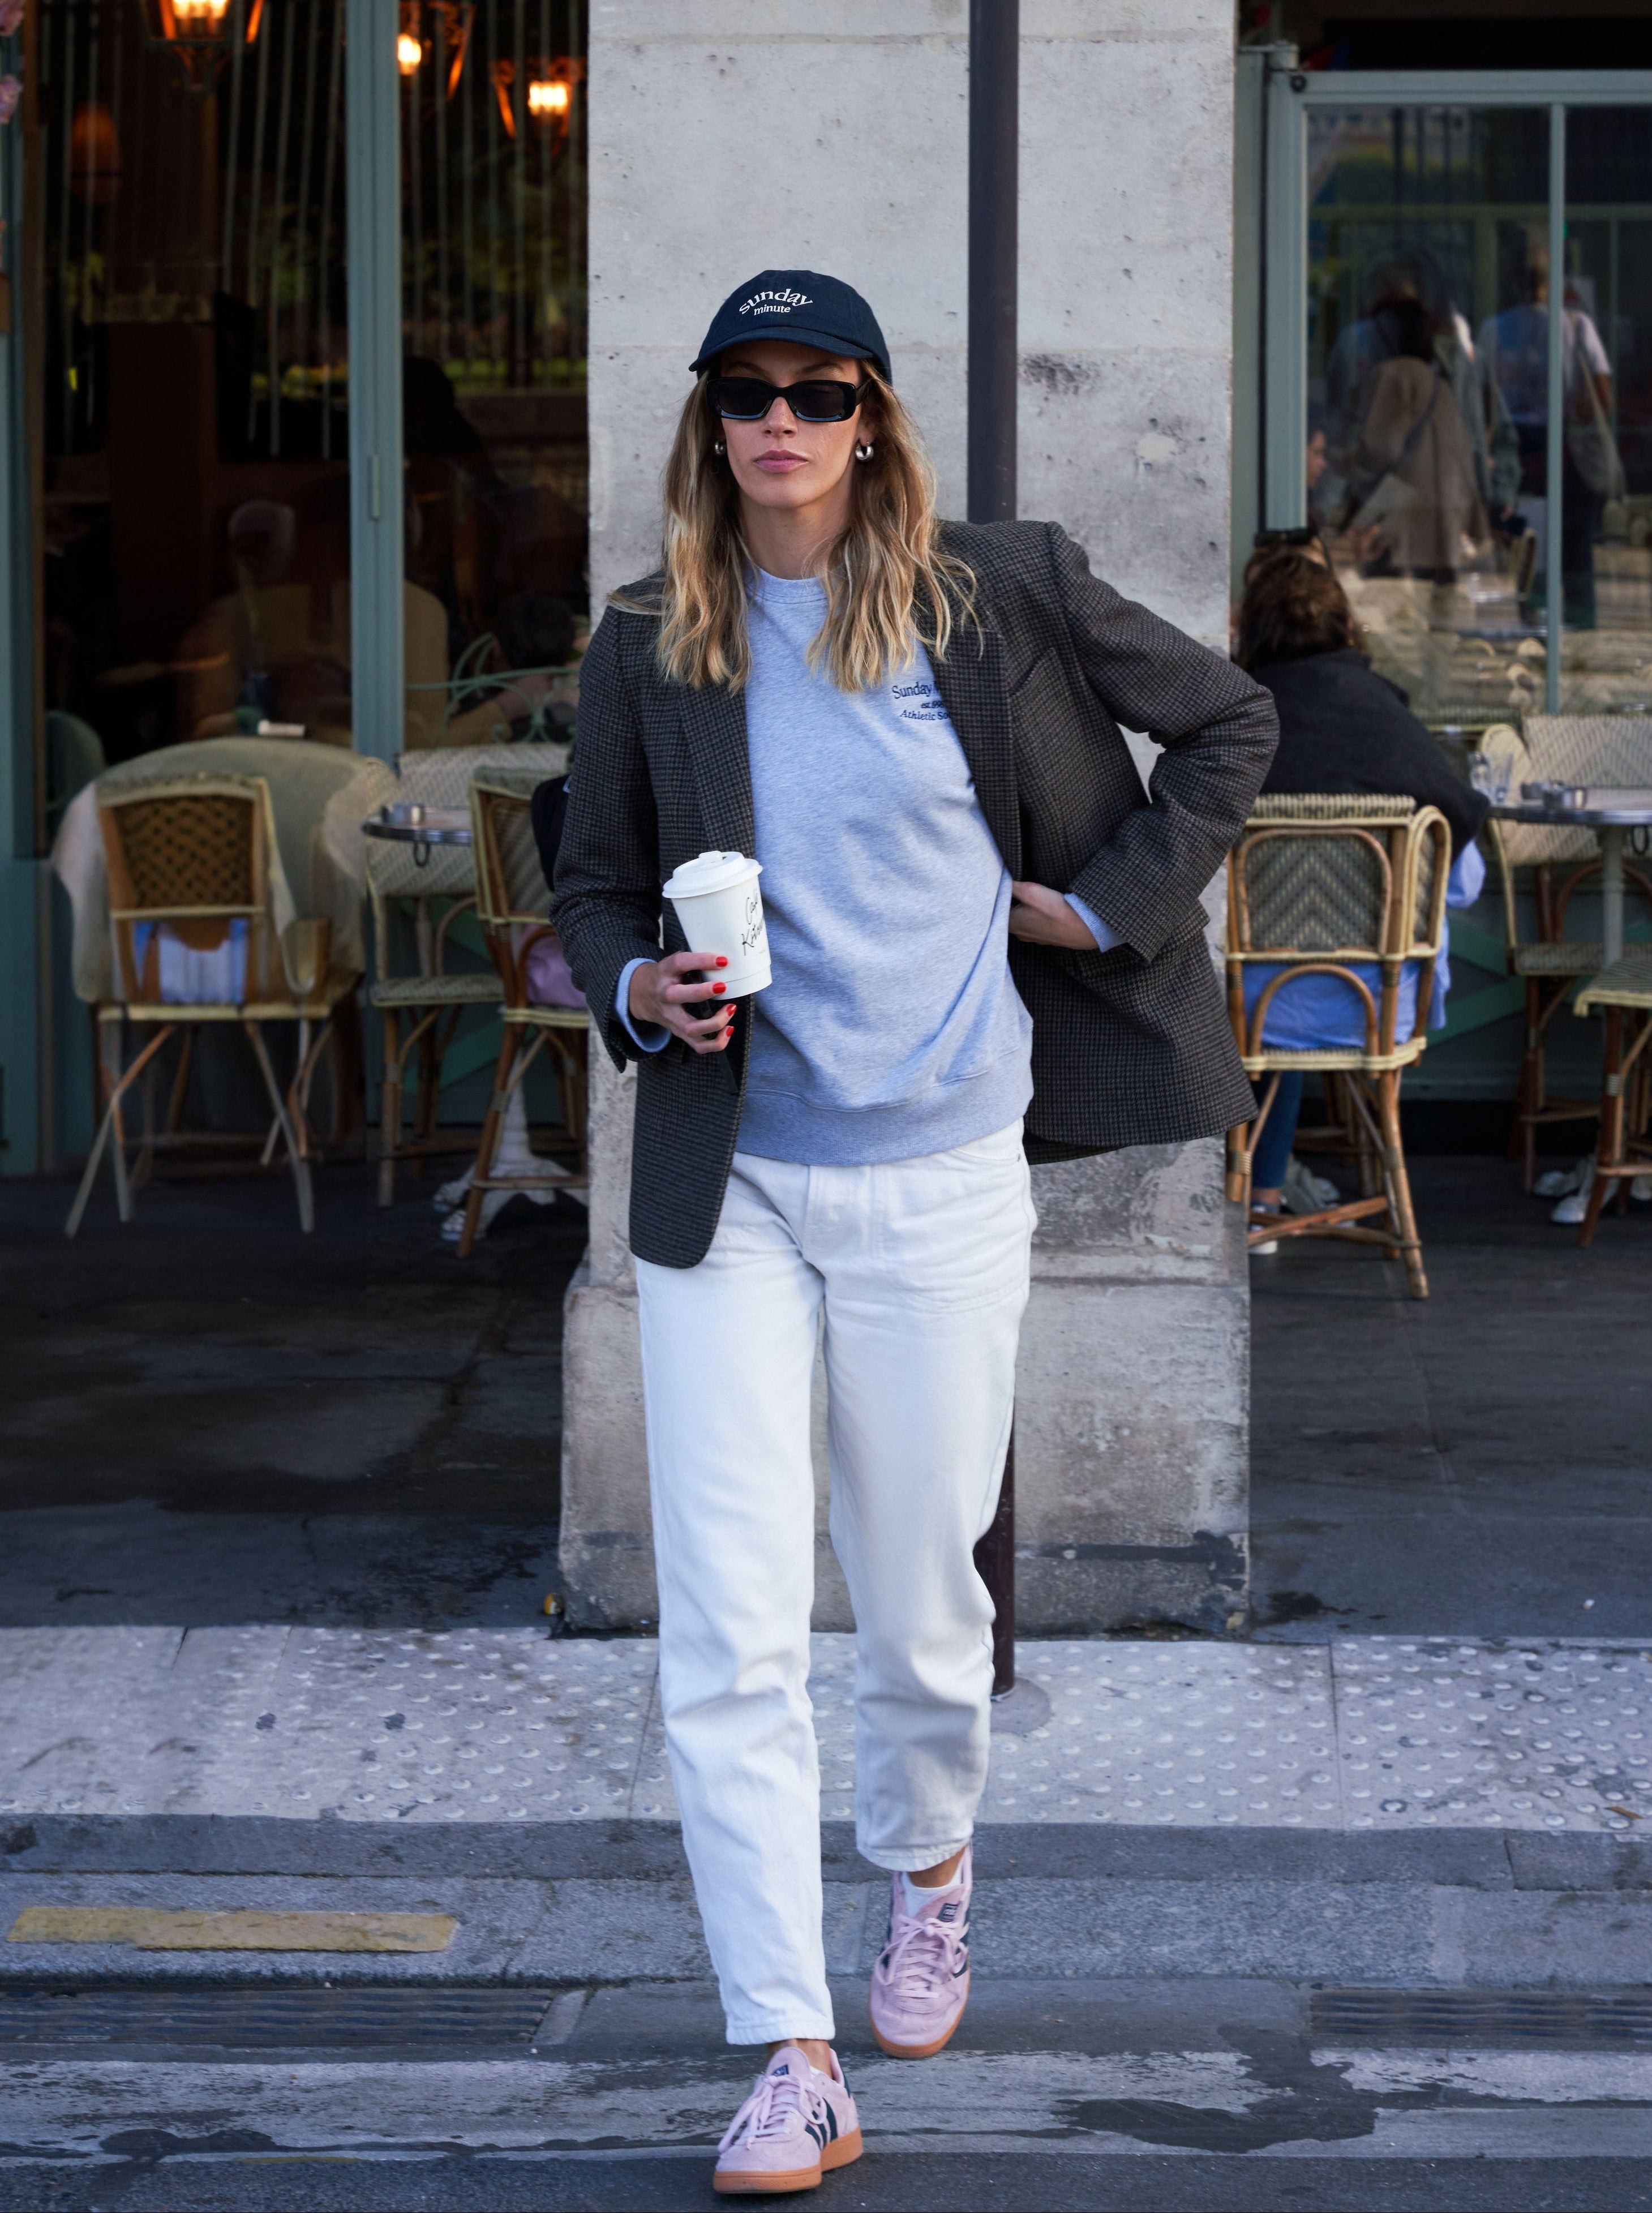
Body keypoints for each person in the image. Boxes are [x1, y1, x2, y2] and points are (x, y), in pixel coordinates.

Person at [550, 268, 1277, 2195]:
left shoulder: (993, 590)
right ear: (709, 422)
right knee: (725, 1625)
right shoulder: (647, 636)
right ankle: (786, 2051)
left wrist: (1104, 904)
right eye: (745, 391)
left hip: (941, 1172)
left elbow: (1226, 720)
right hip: (730, 1181)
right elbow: (592, 883)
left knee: (922, 1605)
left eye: (816, 390)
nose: (778, 422)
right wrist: (638, 992)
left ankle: (928, 1867)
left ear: (869, 417)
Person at [1233, 552, 1490, 1240]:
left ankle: (1253, 1200)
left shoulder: (1235, 724)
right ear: (1349, 627)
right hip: (1380, 1001)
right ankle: (1272, 1191)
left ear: (1246, 633)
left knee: (1253, 973)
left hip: (1248, 1003)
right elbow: (1463, 885)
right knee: (1289, 984)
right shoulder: (1390, 722)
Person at [1477, 250, 1618, 627]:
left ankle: (1535, 621)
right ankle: (1579, 623)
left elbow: (1484, 402)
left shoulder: (1494, 330)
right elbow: (1602, 397)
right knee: (1574, 547)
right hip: (1562, 449)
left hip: (1517, 449)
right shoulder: (1576, 325)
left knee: (1528, 546)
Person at [1348, 295, 1488, 582]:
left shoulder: (1393, 374)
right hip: (1444, 522)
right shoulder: (1439, 384)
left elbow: (1380, 450)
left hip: (1403, 524)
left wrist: (1348, 465)